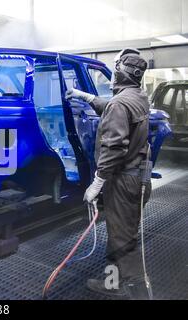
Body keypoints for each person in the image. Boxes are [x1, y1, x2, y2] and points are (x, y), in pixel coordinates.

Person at [66, 48, 152, 300]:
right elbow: (113, 107)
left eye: (115, 70)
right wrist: (86, 96)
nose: (112, 75)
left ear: (121, 73)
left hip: (124, 181)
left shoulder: (119, 103)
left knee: (124, 240)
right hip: (138, 178)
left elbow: (114, 147)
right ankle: (113, 283)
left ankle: (140, 295)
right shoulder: (138, 96)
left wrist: (98, 181)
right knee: (120, 232)